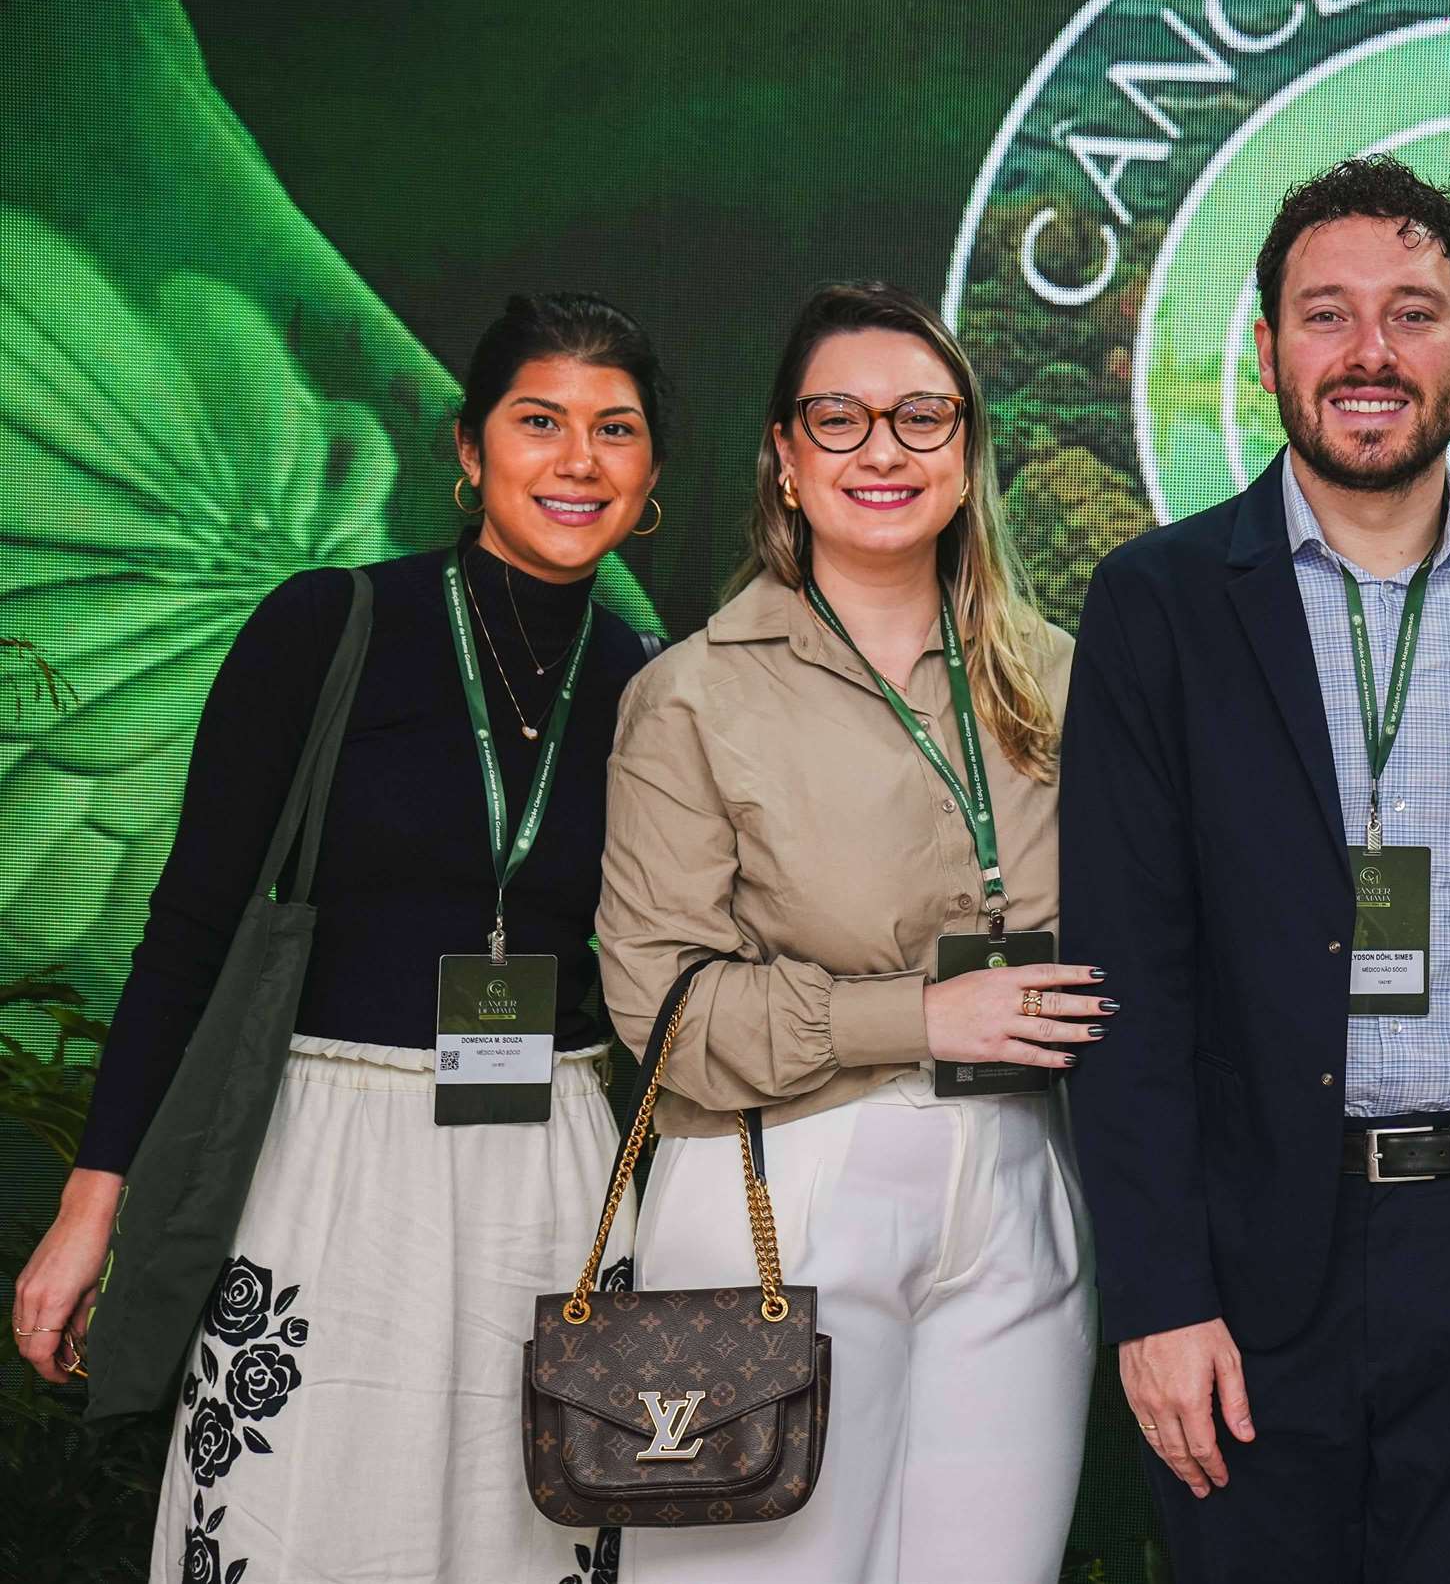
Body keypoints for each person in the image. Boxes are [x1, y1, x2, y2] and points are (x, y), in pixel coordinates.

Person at [1060, 155, 1450, 1582]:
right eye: (1326, 314)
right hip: (1252, 1259)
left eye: (1414, 312)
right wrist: (1159, 1299)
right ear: (1267, 349)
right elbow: (1126, 980)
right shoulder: (1156, 605)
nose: (1370, 352)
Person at [10, 292, 669, 1582]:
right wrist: (94, 1207)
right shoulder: (331, 625)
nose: (579, 460)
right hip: (329, 1159)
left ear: (652, 475)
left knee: (528, 1534)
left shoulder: (656, 681)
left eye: (617, 430)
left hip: (557, 1172)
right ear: (470, 447)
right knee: (300, 1527)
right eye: (540, 421)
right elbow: (188, 932)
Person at [595, 281, 1098, 1583]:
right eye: (841, 419)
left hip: (1024, 1174)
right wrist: (917, 1016)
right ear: (785, 454)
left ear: (969, 452)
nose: (885, 449)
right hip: (784, 1176)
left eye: (923, 417)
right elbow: (662, 1012)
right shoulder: (692, 694)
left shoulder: (1063, 677)